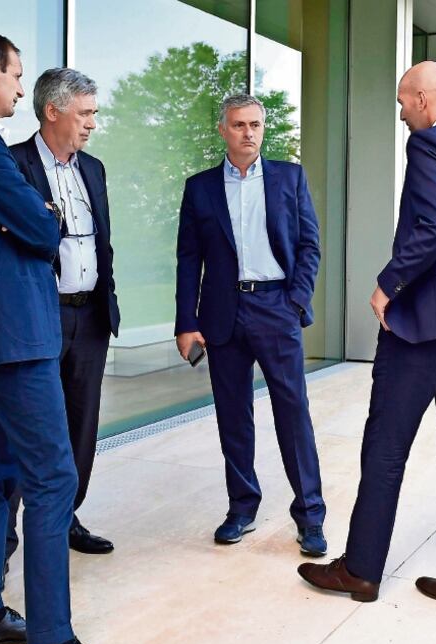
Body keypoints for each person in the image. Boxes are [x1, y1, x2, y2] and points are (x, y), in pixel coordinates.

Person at [0, 28, 128, 644]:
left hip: (4, 332)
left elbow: (36, 222)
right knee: (52, 478)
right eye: (15, 75)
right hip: (18, 334)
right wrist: (40, 213)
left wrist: (35, 213)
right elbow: (46, 228)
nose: (19, 84)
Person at [297, 61, 436, 614]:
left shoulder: (428, 146)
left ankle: (360, 571)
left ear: (423, 99)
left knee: (385, 445)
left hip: (424, 328)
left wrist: (389, 284)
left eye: (402, 102)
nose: (399, 114)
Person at [175, 93, 327, 557]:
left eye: (256, 125)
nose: (248, 133)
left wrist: (296, 302)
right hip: (223, 315)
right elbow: (188, 259)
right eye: (239, 125)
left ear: (264, 128)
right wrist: (187, 321)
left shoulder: (290, 178)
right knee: (234, 415)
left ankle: (310, 515)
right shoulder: (200, 188)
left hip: (275, 308)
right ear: (223, 130)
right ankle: (241, 507)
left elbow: (309, 246)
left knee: (292, 411)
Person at [7, 67, 120, 557]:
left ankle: (64, 517)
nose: (92, 123)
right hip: (39, 317)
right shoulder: (12, 165)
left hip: (90, 316)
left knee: (81, 423)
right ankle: (5, 536)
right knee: (26, 428)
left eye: (94, 113)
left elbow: (102, 244)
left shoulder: (92, 169)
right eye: (85, 113)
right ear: (53, 111)